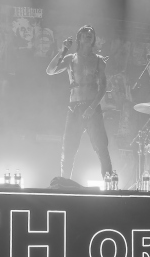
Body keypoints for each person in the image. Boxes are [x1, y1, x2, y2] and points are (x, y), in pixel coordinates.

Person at [45, 25, 113, 180]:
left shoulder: (99, 61)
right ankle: (64, 184)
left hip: (92, 107)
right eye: (85, 33)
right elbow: (50, 70)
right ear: (79, 38)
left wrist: (92, 107)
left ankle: (109, 184)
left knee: (101, 147)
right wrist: (63, 50)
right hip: (74, 107)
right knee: (68, 149)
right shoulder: (71, 59)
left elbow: (103, 87)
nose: (89, 35)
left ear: (94, 39)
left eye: (91, 34)